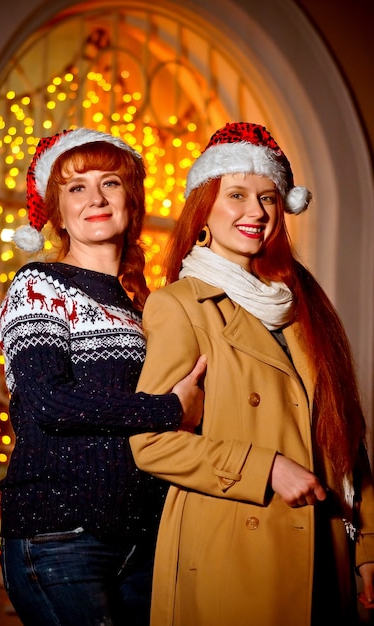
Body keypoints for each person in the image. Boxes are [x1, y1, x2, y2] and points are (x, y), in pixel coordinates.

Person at [130, 122, 374, 626]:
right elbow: (150, 443)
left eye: (268, 198)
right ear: (204, 208)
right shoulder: (180, 305)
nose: (255, 212)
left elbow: (344, 438)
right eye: (236, 194)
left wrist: (368, 545)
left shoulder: (303, 304)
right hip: (230, 551)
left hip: (323, 550)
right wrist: (266, 468)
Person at [0, 127, 206, 626]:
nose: (95, 198)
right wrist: (171, 409)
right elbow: (49, 402)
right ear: (58, 213)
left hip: (143, 538)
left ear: (131, 202)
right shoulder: (38, 286)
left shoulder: (147, 305)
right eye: (76, 187)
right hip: (61, 536)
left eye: (110, 183)